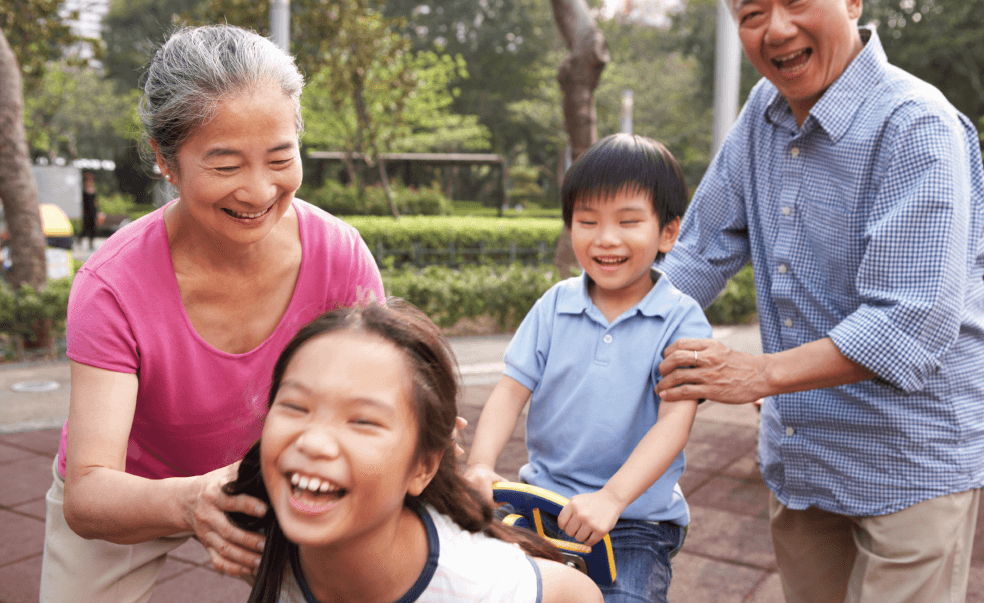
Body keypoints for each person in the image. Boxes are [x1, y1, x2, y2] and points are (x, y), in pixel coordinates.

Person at [39, 25, 385, 603]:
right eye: (225, 166)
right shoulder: (112, 286)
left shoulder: (339, 254)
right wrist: (188, 500)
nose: (258, 190)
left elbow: (382, 391)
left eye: (280, 157)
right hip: (134, 484)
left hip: (286, 469)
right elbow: (88, 494)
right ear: (164, 161)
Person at [655, 1, 984, 602]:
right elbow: (700, 251)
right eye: (753, 12)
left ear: (853, 2)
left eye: (798, 1)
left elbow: (907, 323)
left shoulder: (916, 123)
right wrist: (600, 323)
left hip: (911, 459)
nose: (777, 28)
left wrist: (758, 375)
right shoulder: (763, 112)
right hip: (804, 454)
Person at [464, 133, 713, 603]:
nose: (606, 238)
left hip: (634, 520)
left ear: (668, 232)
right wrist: (480, 466)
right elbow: (511, 390)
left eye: (628, 221)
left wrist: (614, 498)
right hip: (541, 505)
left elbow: (674, 426)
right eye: (587, 220)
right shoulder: (554, 305)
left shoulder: (682, 320)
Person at [224, 300, 605, 603]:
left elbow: (577, 592)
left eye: (363, 421)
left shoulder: (476, 582)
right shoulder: (256, 530)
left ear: (423, 467)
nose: (313, 441)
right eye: (295, 407)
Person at [80, 171, 98, 249]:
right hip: (86, 211)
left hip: (93, 211)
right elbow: (82, 201)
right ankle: (79, 240)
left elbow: (95, 201)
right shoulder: (83, 189)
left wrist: (98, 211)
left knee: (92, 227)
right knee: (85, 227)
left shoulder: (93, 189)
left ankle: (91, 243)